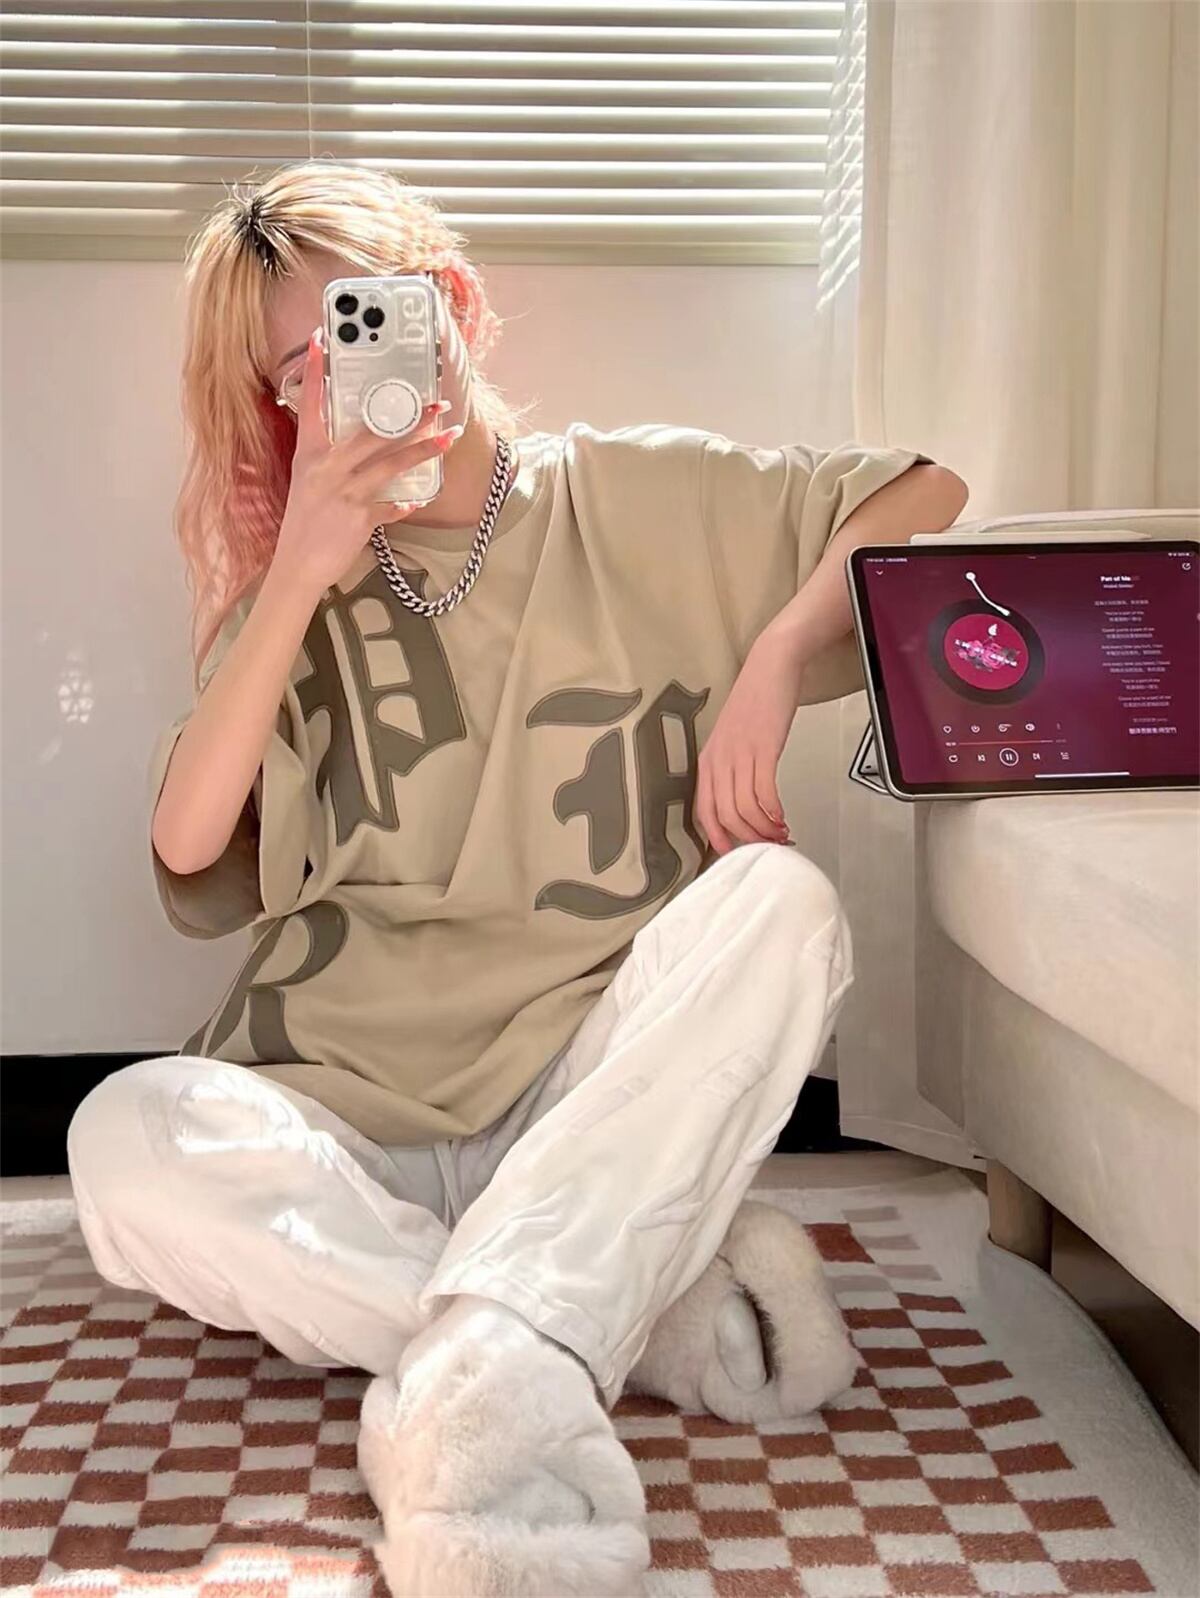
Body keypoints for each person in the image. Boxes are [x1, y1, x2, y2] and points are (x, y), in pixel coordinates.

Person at [66, 161, 968, 1596]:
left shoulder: (639, 496)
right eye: (297, 373)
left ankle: (505, 1327)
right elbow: (187, 839)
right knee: (123, 1136)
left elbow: (925, 494)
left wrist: (775, 659)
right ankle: (580, 1314)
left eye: (362, 328)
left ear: (456, 307)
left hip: (576, 1093)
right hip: (344, 1114)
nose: (338, 385)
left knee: (783, 909)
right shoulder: (299, 591)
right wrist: (297, 568)